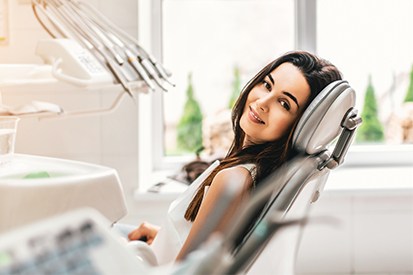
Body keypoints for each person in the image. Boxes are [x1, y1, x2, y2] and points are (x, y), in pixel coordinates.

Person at [126, 50, 342, 264]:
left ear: (299, 127)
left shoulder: (233, 180)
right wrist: (163, 239)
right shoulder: (257, 175)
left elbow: (185, 273)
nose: (262, 102)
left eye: (284, 104)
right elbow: (214, 249)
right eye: (267, 85)